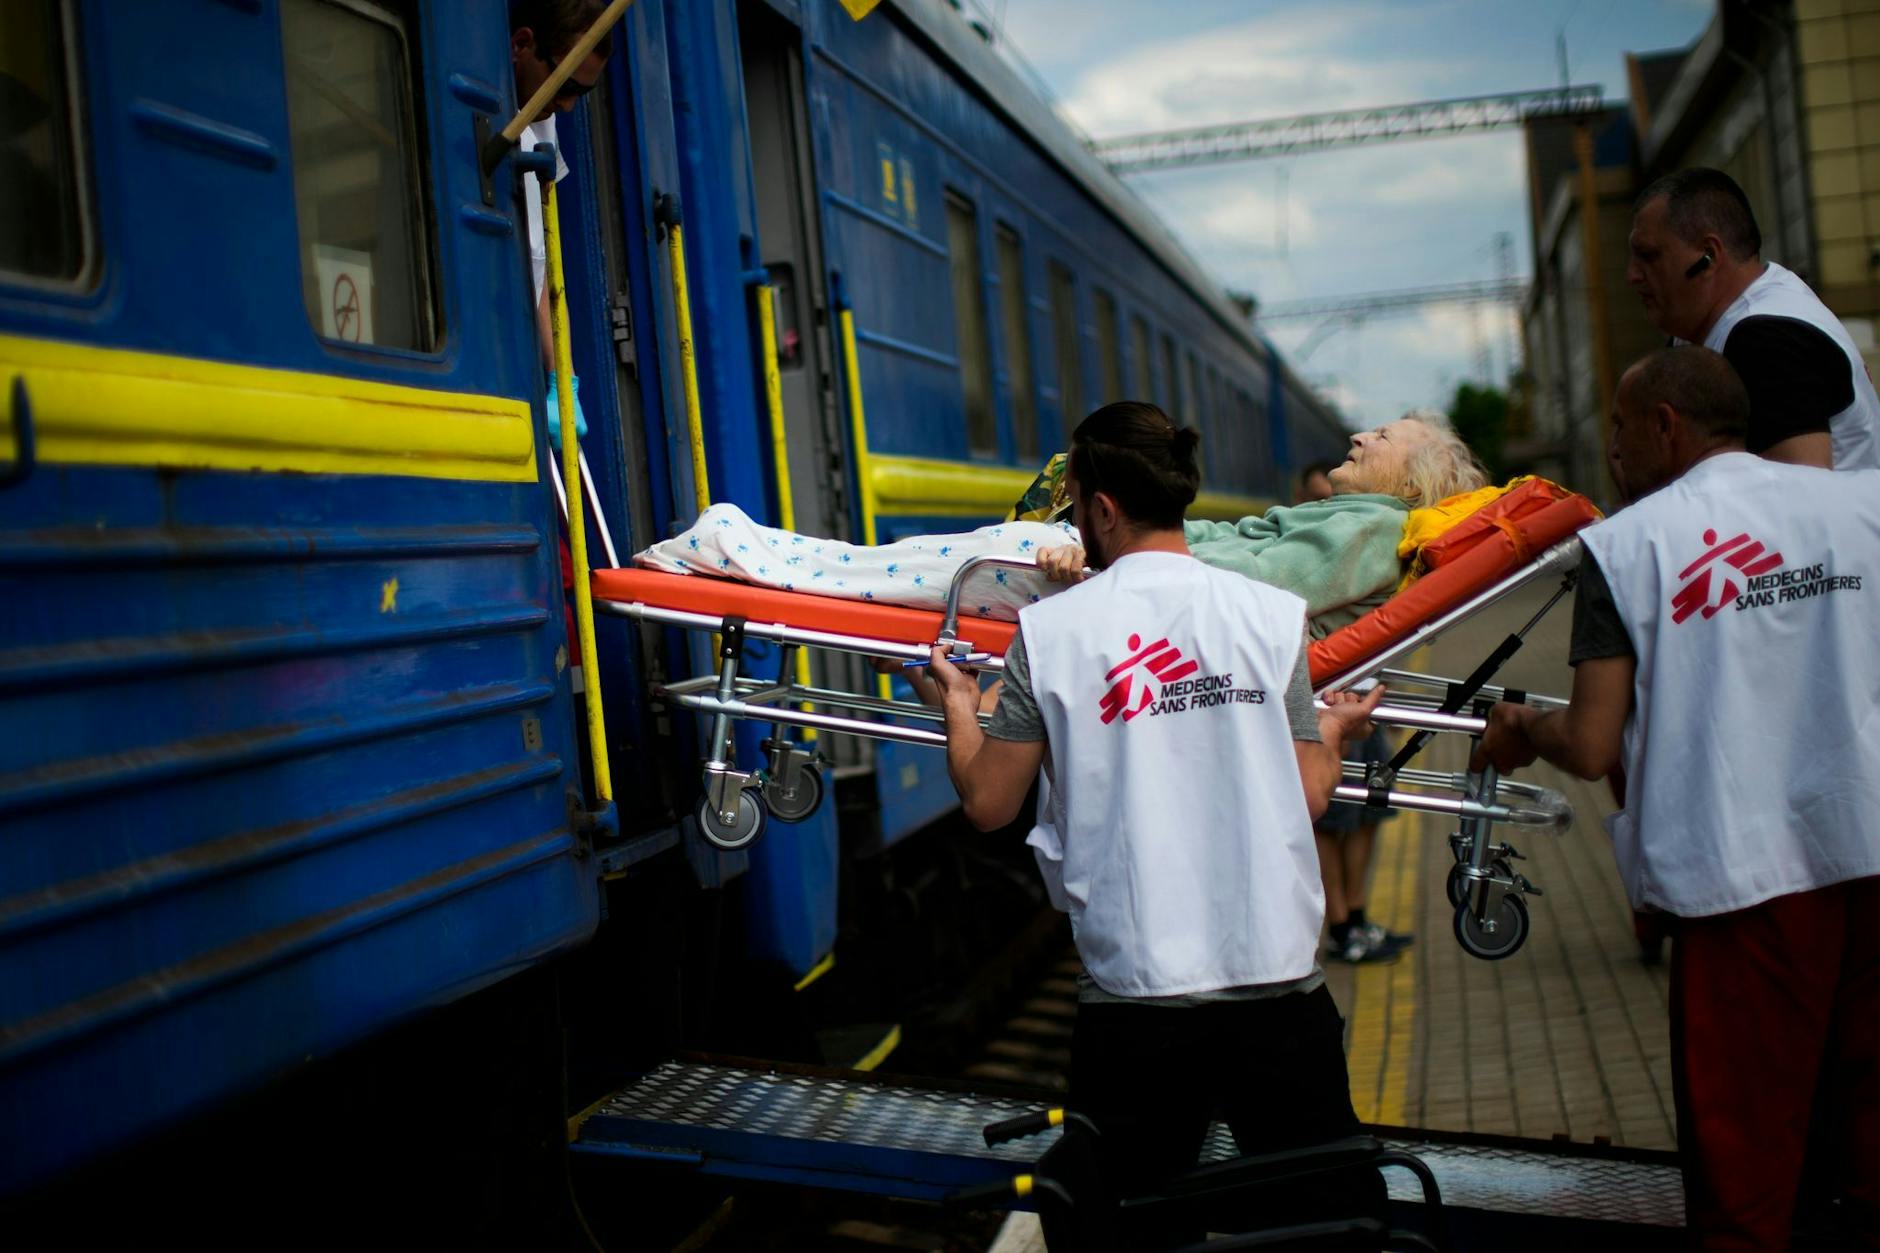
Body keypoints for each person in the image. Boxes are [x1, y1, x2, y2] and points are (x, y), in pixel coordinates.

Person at [924, 402, 1389, 1245]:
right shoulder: (1270, 615)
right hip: (1280, 987)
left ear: (1102, 510)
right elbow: (1308, 792)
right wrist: (1331, 734)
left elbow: (990, 801)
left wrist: (960, 706)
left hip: (1138, 1001)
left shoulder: (1051, 631)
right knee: (1336, 1227)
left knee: (1121, 1232)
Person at [1474, 346, 1880, 1250]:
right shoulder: (1865, 502)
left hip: (1746, 885)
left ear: (1665, 427)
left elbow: (1587, 742)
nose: (1612, 453)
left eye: (1620, 431)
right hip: (1872, 850)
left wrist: (1518, 730)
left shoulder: (1624, 548)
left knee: (1745, 1180)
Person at [643, 408, 1488, 637]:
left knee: (918, 570)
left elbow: (1255, 584)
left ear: (1409, 479)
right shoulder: (1358, 521)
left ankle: (738, 551)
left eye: (1382, 437)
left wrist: (1116, 561)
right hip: (1112, 570)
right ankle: (745, 551)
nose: (1359, 435)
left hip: (1110, 581)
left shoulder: (1372, 527)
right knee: (911, 565)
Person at [1626, 167, 1877, 470]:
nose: (1633, 275)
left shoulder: (1767, 340)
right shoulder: (1727, 324)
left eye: (1649, 256)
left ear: (1708, 256)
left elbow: (1798, 495)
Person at [1293, 464, 1407, 963]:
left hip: (1363, 699)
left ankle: (1357, 917)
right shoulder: (1294, 558)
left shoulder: (1366, 547)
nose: (1326, 511)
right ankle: (1340, 926)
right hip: (1322, 706)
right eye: (1317, 501)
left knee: (1365, 817)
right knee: (1326, 822)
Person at [510, 0, 613, 443]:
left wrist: (563, 380)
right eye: (566, 85)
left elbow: (541, 265)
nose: (569, 106)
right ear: (522, 45)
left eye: (583, 93)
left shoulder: (541, 124)